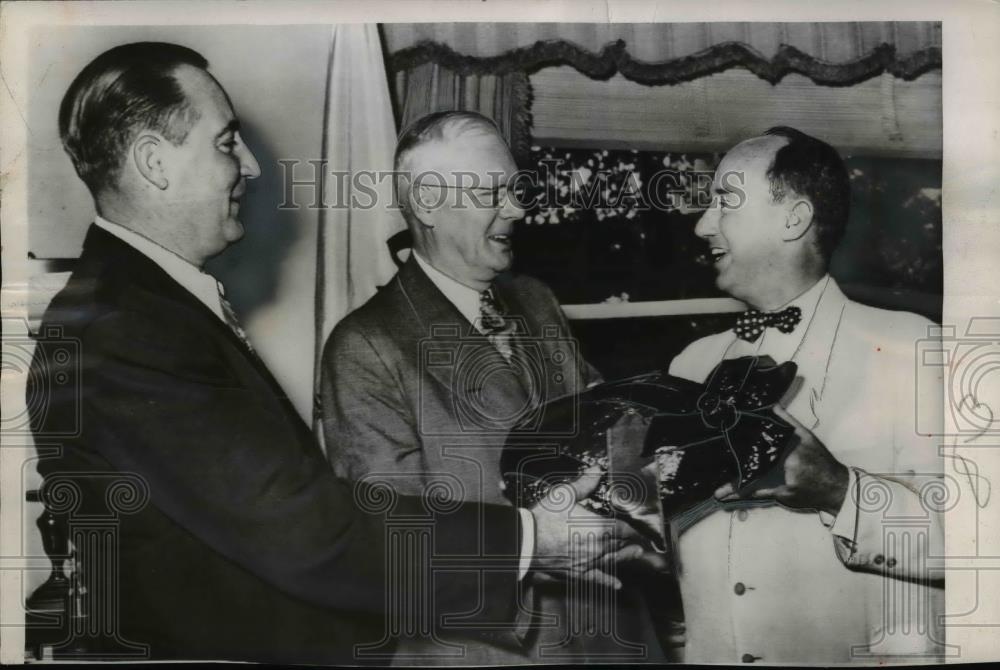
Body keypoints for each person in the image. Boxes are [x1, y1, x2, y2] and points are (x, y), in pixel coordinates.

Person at [28, 43, 630, 663]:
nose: (252, 166)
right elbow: (304, 531)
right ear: (154, 162)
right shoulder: (126, 324)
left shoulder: (140, 308)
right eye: (226, 141)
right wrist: (532, 538)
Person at [320, 111, 666, 663]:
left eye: (516, 188)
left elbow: (614, 431)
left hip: (612, 630)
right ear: (428, 202)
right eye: (493, 192)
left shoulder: (535, 300)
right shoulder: (365, 345)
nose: (518, 209)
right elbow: (389, 540)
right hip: (489, 650)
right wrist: (533, 539)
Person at [665, 126, 945, 663]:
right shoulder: (690, 364)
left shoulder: (914, 346)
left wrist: (841, 490)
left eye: (725, 201)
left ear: (793, 218)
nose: (703, 225)